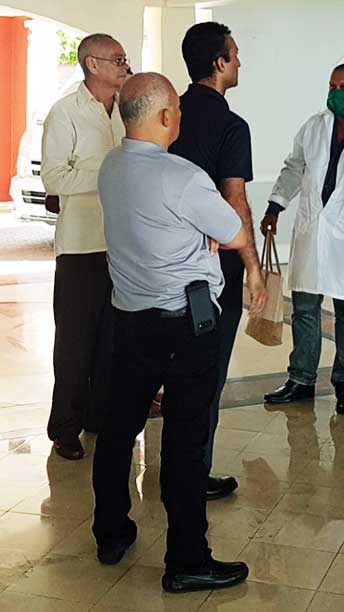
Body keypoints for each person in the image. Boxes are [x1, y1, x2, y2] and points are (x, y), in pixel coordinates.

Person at [93, 72, 258, 592]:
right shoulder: (182, 176)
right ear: (165, 117)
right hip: (186, 327)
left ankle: (111, 531)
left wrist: (194, 233)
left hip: (130, 322)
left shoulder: (111, 166)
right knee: (186, 444)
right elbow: (232, 232)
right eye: (178, 112)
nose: (182, 118)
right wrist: (205, 234)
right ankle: (187, 559)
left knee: (119, 432)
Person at [169, 22, 267, 501]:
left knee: (166, 368)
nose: (240, 62)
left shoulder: (166, 116)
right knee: (204, 374)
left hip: (163, 264)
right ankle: (191, 473)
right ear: (219, 63)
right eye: (235, 53)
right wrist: (252, 267)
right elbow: (236, 203)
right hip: (210, 274)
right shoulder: (231, 125)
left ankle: (168, 466)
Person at [261, 63, 344, 415]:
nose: (336, 91)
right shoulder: (314, 126)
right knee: (304, 308)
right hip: (312, 230)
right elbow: (293, 167)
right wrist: (275, 206)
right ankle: (301, 379)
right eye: (332, 84)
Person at [41, 33, 130, 460]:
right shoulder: (66, 113)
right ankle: (65, 429)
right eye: (116, 59)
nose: (124, 66)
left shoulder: (128, 111)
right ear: (92, 64)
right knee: (75, 343)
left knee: (112, 341)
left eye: (125, 59)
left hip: (122, 246)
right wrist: (107, 170)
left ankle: (99, 418)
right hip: (80, 247)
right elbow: (55, 179)